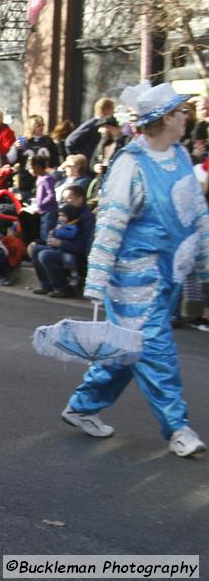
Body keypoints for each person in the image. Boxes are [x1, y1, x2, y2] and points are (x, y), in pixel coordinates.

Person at [61, 82, 209, 457]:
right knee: (156, 349)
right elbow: (110, 224)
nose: (187, 117)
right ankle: (178, 427)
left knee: (127, 351)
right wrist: (96, 279)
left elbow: (197, 215)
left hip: (169, 274)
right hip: (133, 279)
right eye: (181, 112)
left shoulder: (178, 155)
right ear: (165, 120)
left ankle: (82, 406)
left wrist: (205, 263)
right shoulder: (131, 163)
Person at [31, 185, 94, 298]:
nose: (65, 201)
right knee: (36, 248)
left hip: (75, 254)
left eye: (69, 198)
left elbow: (85, 244)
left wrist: (62, 243)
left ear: (80, 199)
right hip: (62, 249)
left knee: (45, 255)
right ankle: (46, 285)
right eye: (64, 198)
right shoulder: (66, 213)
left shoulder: (87, 218)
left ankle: (62, 288)